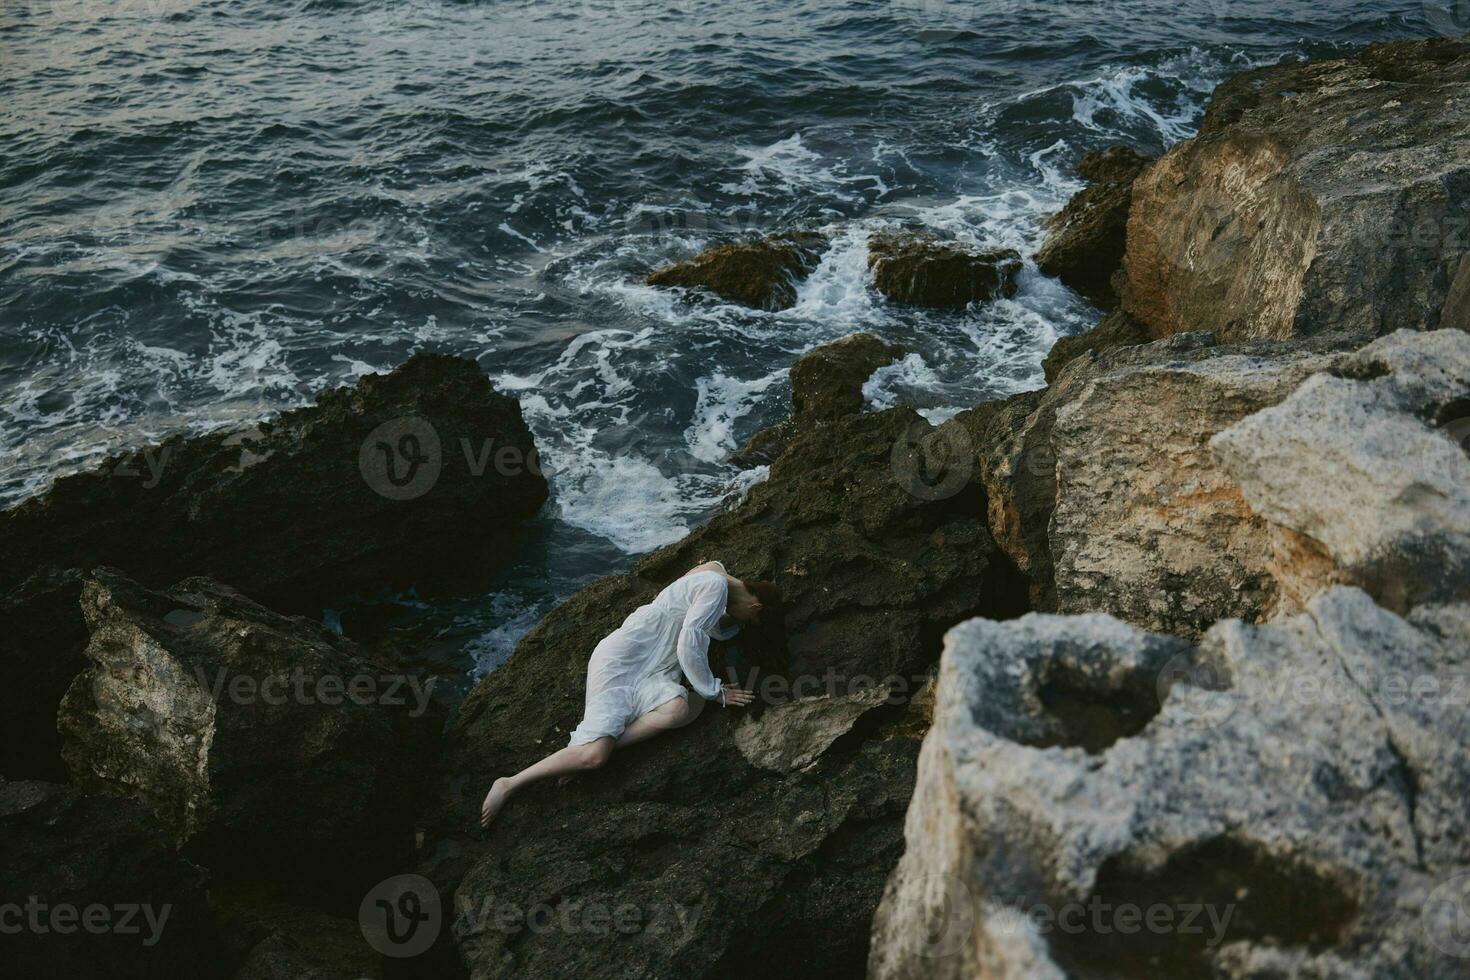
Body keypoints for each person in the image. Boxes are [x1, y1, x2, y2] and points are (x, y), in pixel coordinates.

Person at [480, 560, 779, 827]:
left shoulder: (714, 572)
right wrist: (714, 691)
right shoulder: (715, 585)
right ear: (756, 607)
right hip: (626, 658)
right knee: (595, 759)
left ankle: (584, 751)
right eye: (748, 619)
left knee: (678, 709)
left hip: (658, 669)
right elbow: (689, 642)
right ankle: (510, 783)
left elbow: (708, 619)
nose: (741, 622)